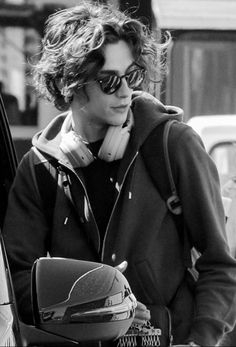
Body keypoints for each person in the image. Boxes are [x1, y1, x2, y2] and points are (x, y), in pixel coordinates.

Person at [3, 2, 236, 346]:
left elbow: (220, 266)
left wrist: (200, 340)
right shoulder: (39, 168)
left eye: (132, 76)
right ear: (71, 82)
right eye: (110, 80)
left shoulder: (175, 145)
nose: (126, 91)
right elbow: (16, 280)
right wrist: (97, 305)